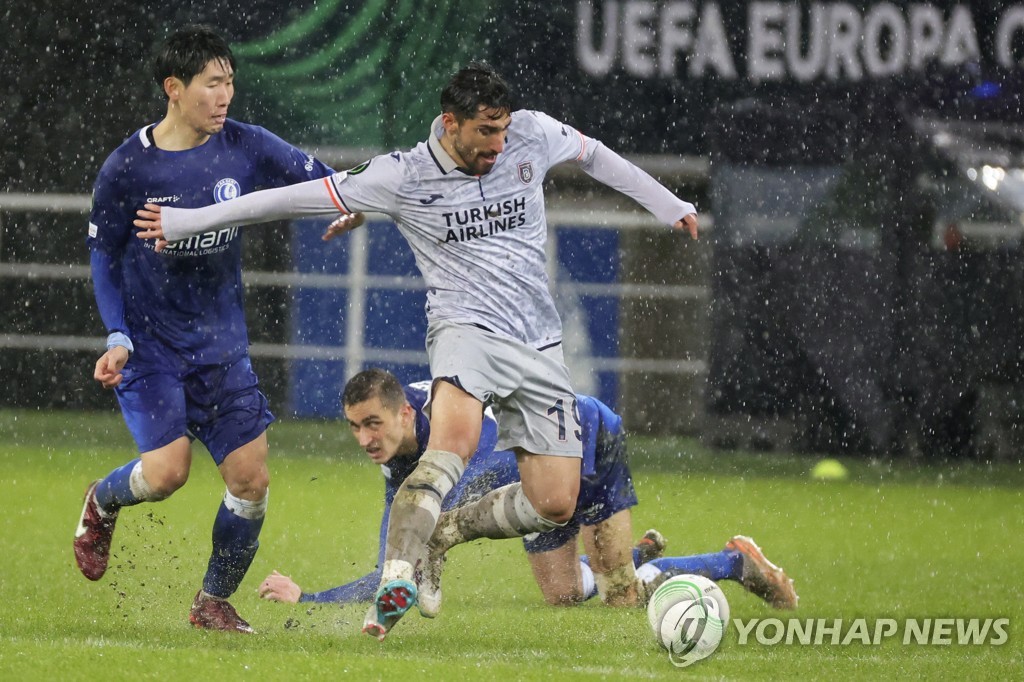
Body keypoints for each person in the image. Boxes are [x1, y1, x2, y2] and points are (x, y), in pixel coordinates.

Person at [133, 62, 700, 639]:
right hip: (464, 333)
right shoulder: (401, 175)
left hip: (537, 343)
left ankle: (447, 530)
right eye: (485, 132)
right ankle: (397, 579)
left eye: (503, 131)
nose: (498, 145)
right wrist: (184, 221)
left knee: (555, 503)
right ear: (450, 124)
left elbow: (594, 155)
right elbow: (284, 200)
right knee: (448, 447)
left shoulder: (532, 132)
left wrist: (667, 203)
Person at [74, 25, 345, 633]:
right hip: (151, 349)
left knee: (251, 481)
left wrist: (346, 205)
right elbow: (103, 256)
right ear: (175, 89)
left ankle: (212, 602)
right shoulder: (127, 167)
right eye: (212, 84)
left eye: (230, 83)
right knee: (167, 474)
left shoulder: (246, 146)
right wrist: (117, 335)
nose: (225, 96)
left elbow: (319, 177)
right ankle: (104, 498)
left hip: (222, 349)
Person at [255, 369, 798, 613]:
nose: (364, 439)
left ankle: (732, 565)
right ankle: (628, 558)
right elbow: (393, 566)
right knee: (562, 595)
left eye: (372, 424)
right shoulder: (402, 458)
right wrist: (313, 599)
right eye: (354, 427)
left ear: (405, 411)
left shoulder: (455, 427)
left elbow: (434, 534)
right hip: (537, 482)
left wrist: (424, 542)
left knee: (619, 595)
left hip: (583, 440)